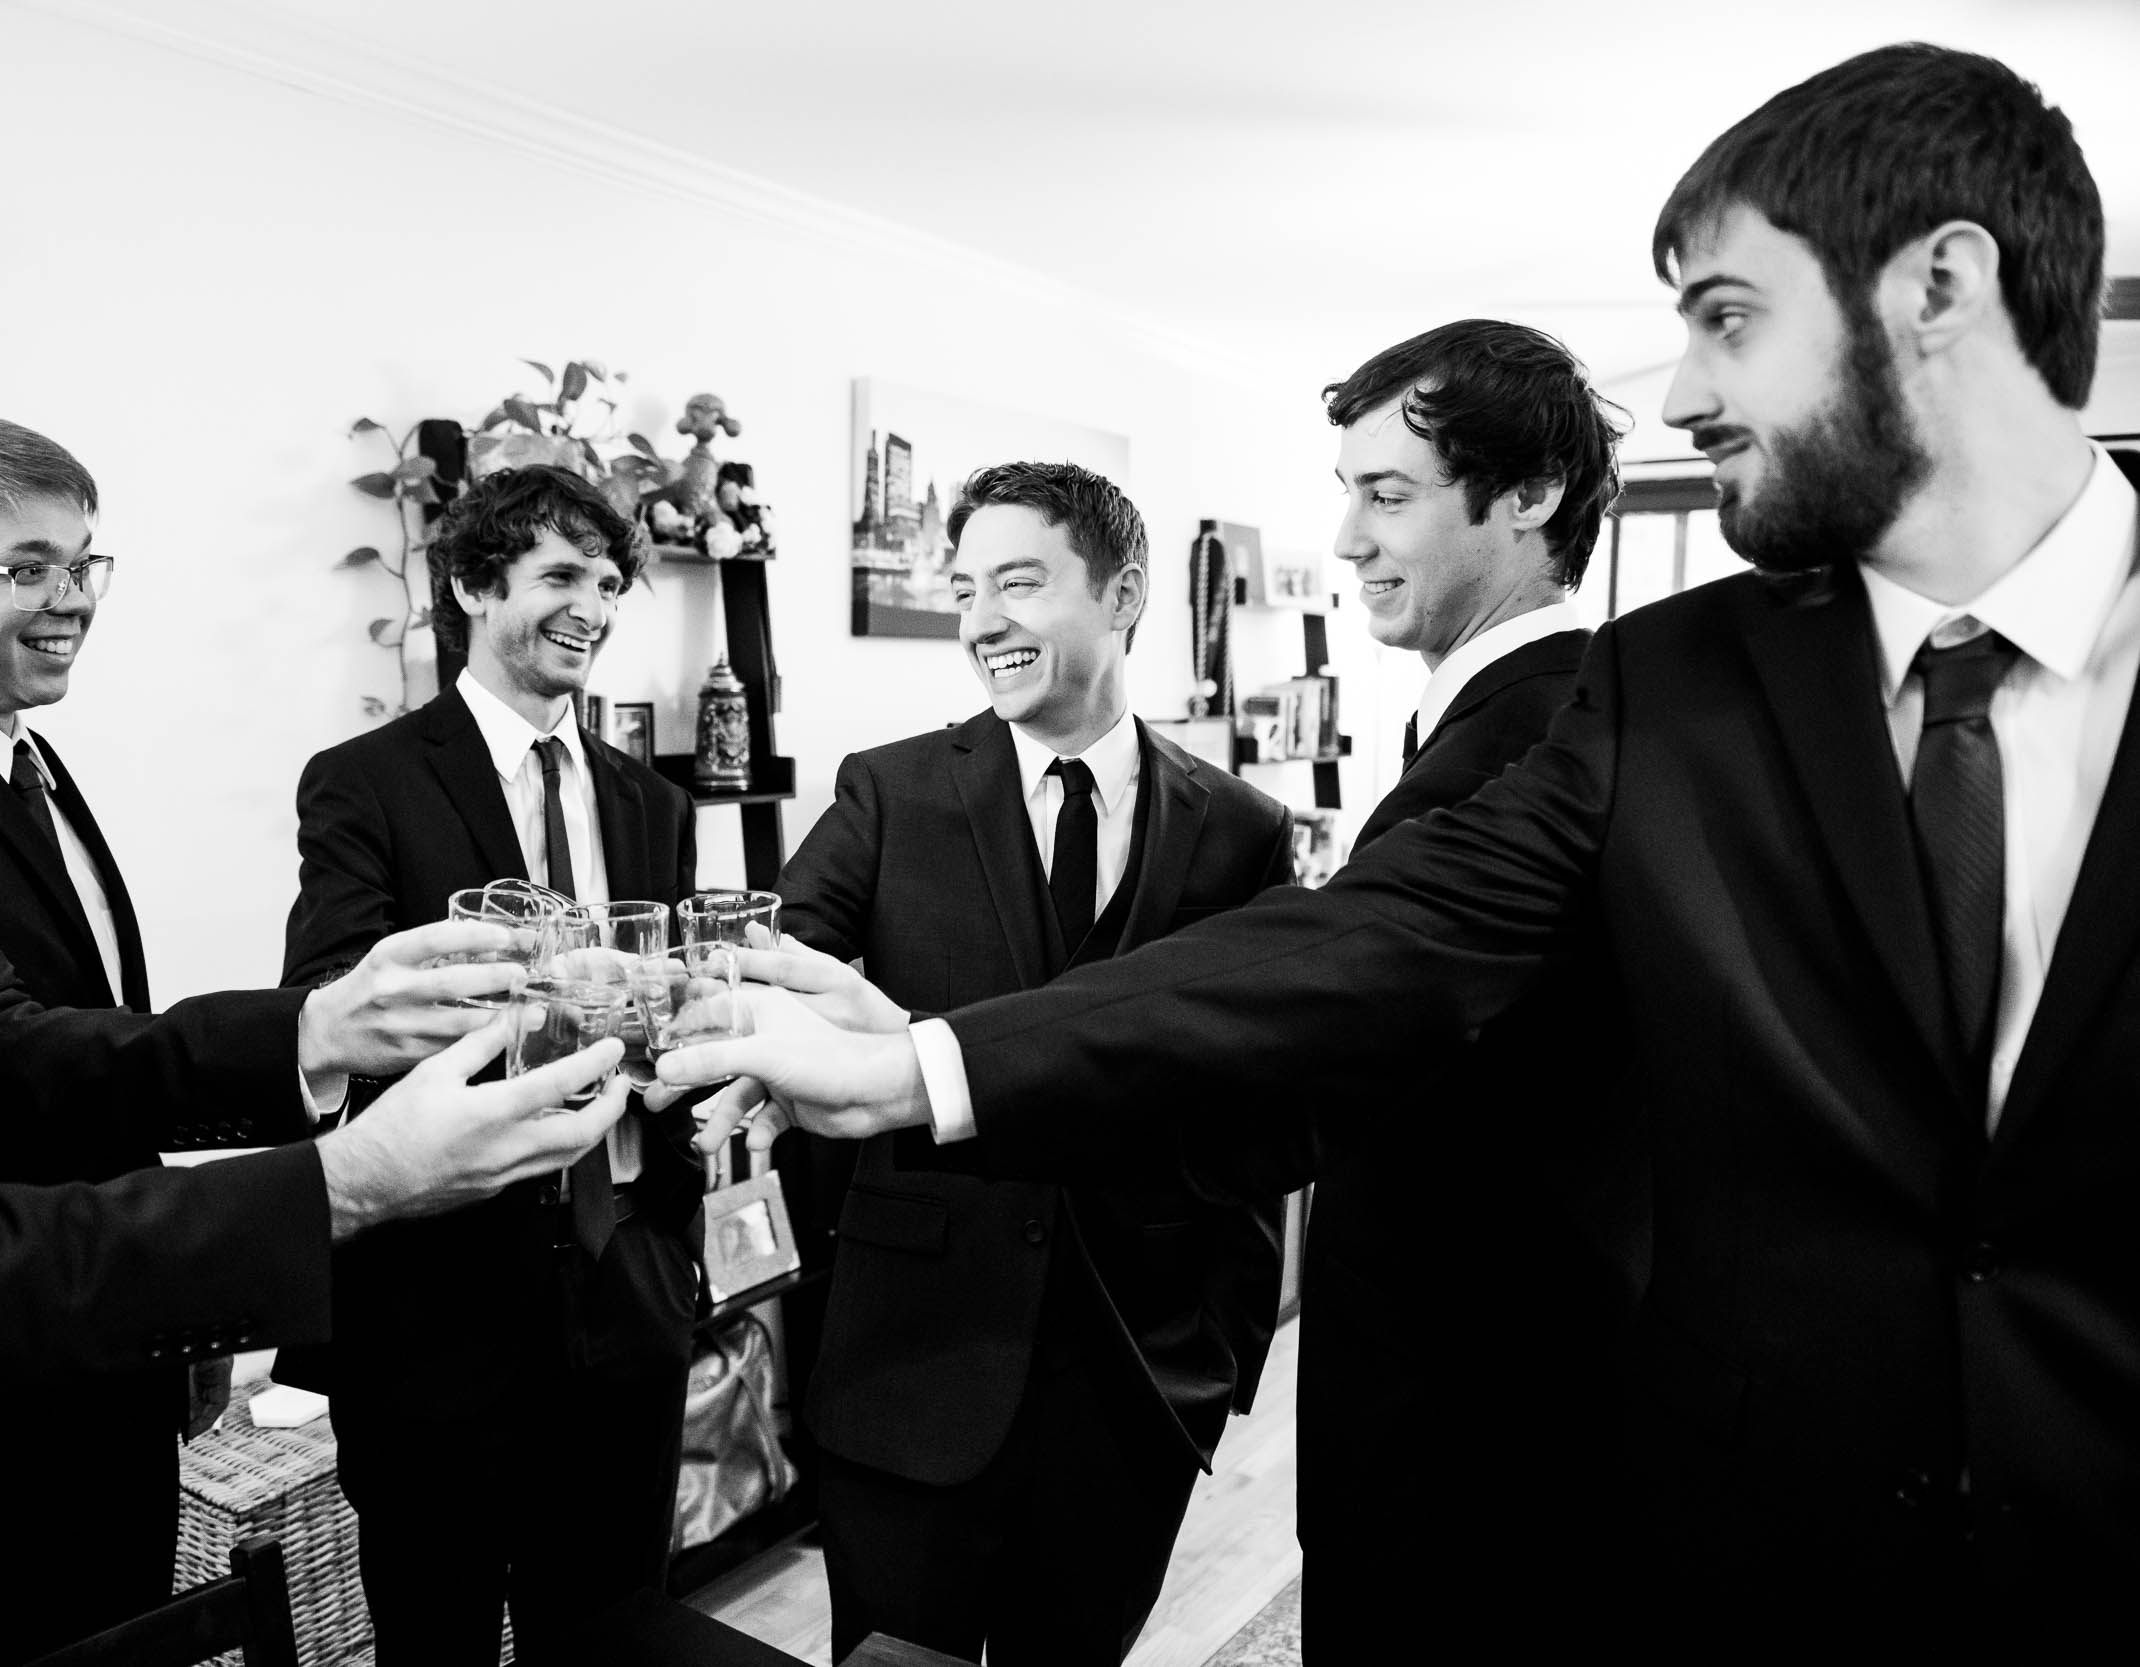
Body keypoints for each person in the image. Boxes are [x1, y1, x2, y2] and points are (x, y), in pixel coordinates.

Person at [666, 44, 2138, 1629]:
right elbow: (1376, 942)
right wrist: (918, 1064)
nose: (1687, 393)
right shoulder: (1682, 680)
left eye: (1727, 317)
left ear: (1942, 286)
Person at [0, 289, 627, 1656]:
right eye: (27, 567)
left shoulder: (27, 765)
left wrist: (184, 1321)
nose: (69, 603)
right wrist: (321, 1044)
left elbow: (84, 1067)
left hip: (102, 1354)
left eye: (85, 564)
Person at [773, 461, 1292, 1663]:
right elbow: (784, 978)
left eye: (1019, 581)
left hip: (1133, 1378)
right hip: (915, 1359)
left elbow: (1264, 1096)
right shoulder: (891, 791)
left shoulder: (1239, 830)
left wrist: (1220, 1350)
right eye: (964, 590)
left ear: (1122, 594)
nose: (981, 622)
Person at [281, 464, 702, 1666]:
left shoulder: (653, 802)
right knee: (438, 1637)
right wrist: (542, 989)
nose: (594, 605)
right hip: (438, 1304)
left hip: (628, 1279)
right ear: (471, 582)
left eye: (610, 581)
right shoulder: (363, 780)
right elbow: (328, 1002)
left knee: (616, 1631)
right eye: (562, 575)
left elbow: (668, 1020)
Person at [1298, 320, 1639, 1633]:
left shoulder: (1541, 739)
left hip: (1477, 1425)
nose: (1347, 540)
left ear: (1531, 497)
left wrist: (938, 1065)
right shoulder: (1522, 711)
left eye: (1388, 494)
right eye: (1348, 494)